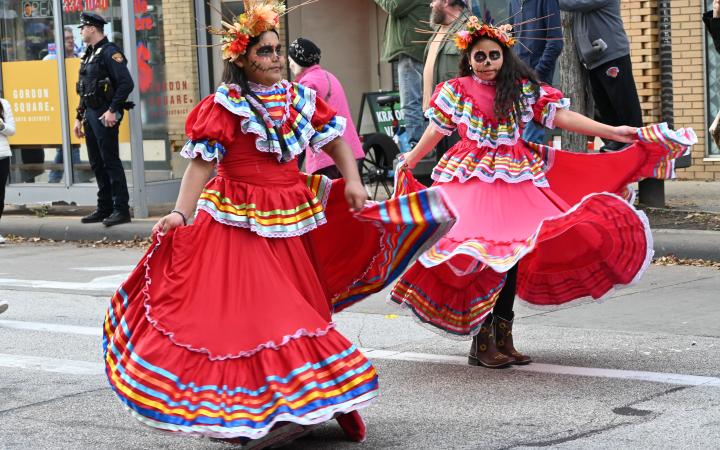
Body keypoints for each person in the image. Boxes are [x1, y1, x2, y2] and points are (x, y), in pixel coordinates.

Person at [102, 1, 454, 445]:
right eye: (264, 51)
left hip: (290, 213)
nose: (273, 57)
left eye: (276, 49)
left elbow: (339, 139)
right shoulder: (224, 104)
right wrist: (180, 212)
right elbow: (200, 166)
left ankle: (300, 403)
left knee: (298, 307)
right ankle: (254, 410)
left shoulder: (299, 98)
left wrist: (352, 182)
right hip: (236, 217)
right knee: (257, 316)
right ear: (242, 60)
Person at [390, 17, 695, 368]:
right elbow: (435, 129)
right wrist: (411, 160)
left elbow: (562, 118)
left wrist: (614, 131)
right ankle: (482, 339)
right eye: (479, 57)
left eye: (493, 55)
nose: (487, 63)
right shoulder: (455, 90)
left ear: (504, 56)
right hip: (471, 178)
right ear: (468, 60)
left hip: (517, 176)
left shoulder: (522, 88)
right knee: (485, 254)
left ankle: (504, 337)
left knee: (514, 254)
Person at [74, 12, 134, 226]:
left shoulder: (110, 52)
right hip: (90, 114)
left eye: (82, 27)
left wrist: (112, 110)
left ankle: (121, 209)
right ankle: (104, 207)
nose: (80, 31)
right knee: (97, 163)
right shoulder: (90, 54)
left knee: (110, 161)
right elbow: (84, 89)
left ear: (92, 28)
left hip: (104, 113)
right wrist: (78, 117)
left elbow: (126, 83)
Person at [558, 0, 643, 152]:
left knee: (624, 105)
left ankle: (636, 148)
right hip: (594, 58)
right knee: (603, 107)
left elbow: (574, 4)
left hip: (612, 55)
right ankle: (616, 143)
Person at [288, 37, 365, 178]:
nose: (290, 65)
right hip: (351, 152)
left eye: (291, 60)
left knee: (329, 200)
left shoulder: (307, 83)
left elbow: (300, 125)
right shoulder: (329, 76)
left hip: (327, 156)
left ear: (299, 61)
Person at [374, 0, 430, 147]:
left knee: (411, 103)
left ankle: (416, 146)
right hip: (418, 48)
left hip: (412, 50)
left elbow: (394, 6)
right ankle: (425, 146)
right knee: (424, 103)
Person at [508, 0, 563, 144]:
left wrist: (536, 75)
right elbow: (511, 39)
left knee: (530, 143)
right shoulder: (513, 2)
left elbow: (555, 43)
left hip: (537, 83)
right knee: (516, 144)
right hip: (515, 82)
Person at [46, 26, 85, 184]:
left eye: (71, 38)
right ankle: (77, 181)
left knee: (67, 147)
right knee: (70, 146)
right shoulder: (49, 60)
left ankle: (55, 182)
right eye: (66, 39)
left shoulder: (79, 58)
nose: (70, 41)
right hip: (59, 111)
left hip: (76, 108)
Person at [0, 92, 16, 245]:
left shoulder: (4, 104)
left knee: (0, 197)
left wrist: (1, 125)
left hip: (2, 155)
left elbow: (12, 130)